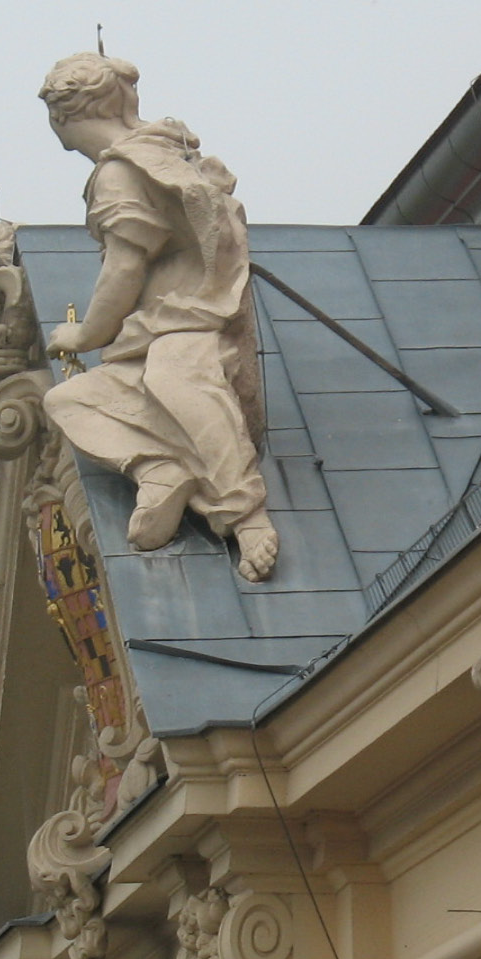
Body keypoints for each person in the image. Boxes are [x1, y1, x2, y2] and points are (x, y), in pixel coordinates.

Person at [40, 52, 277, 583]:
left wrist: (85, 334)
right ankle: (161, 468)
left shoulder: (121, 171)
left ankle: (246, 516)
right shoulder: (159, 152)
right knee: (69, 400)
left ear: (61, 120)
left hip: (185, 316)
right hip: (160, 323)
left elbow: (125, 268)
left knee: (179, 384)